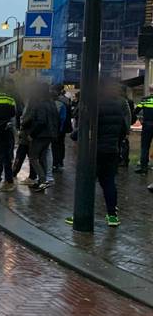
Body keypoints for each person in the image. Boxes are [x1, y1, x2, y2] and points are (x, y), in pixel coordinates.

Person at [66, 85, 130, 227]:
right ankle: (112, 215)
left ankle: (80, 213)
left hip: (93, 150)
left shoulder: (95, 106)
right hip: (111, 150)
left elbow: (84, 126)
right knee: (109, 183)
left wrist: (74, 135)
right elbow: (124, 129)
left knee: (86, 182)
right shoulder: (118, 106)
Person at [21, 83, 59, 192]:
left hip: (40, 135)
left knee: (33, 157)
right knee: (42, 157)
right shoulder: (51, 103)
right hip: (50, 135)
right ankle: (41, 181)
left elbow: (41, 121)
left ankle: (42, 181)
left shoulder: (40, 104)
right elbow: (56, 119)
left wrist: (31, 134)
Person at [52, 85, 72, 170]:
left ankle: (56, 162)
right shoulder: (66, 99)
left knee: (55, 145)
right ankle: (60, 162)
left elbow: (61, 117)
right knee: (61, 144)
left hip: (58, 127)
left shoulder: (58, 101)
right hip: (63, 128)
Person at [133, 85, 153, 174]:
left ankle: (144, 168)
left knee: (145, 147)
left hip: (147, 126)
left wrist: (140, 119)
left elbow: (136, 111)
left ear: (150, 90)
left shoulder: (145, 100)